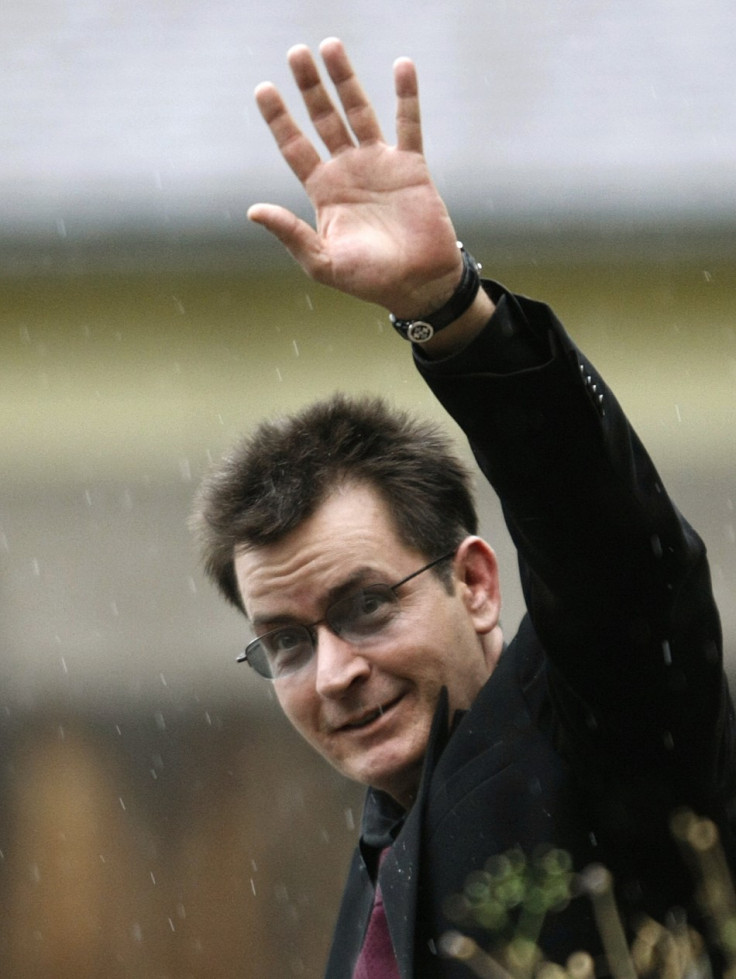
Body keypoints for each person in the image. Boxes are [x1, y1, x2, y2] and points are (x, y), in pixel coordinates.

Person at [191, 38, 736, 978]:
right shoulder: (384, 849)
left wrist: (449, 311)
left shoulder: (601, 723)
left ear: (476, 582)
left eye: (365, 605)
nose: (333, 673)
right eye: (284, 640)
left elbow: (606, 541)